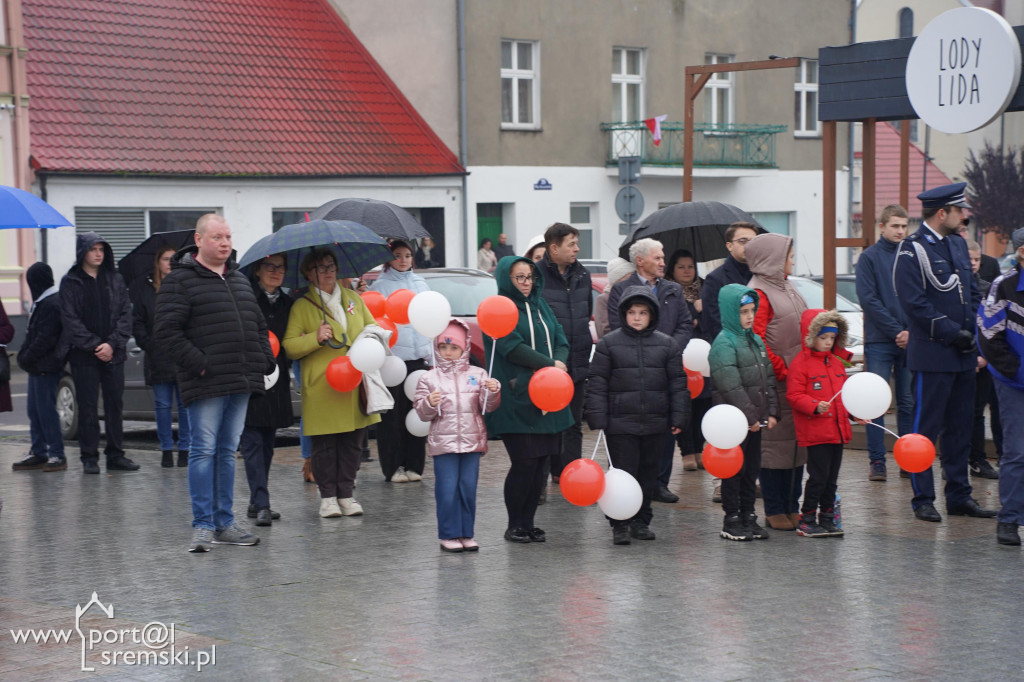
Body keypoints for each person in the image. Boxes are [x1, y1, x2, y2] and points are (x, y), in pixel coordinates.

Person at [156, 214, 275, 552]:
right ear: (199, 239)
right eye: (217, 237)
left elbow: (256, 324)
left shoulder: (238, 279)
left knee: (226, 451)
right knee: (203, 451)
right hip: (205, 381)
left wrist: (264, 358)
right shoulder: (179, 281)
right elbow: (166, 333)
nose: (225, 243)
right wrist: (201, 365)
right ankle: (203, 526)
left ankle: (225, 523)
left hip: (240, 378)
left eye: (228, 237)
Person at [893, 182, 996, 522]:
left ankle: (959, 496)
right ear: (942, 213)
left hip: (963, 356)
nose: (963, 215)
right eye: (959, 210)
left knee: (960, 429)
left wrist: (978, 334)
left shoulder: (956, 243)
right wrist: (955, 334)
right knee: (923, 432)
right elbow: (914, 303)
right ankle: (923, 498)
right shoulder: (912, 250)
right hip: (934, 355)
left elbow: (972, 293)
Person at [585, 286, 689, 545]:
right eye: (632, 312)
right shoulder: (609, 344)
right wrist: (598, 418)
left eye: (643, 312)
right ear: (623, 314)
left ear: (652, 314)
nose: (637, 317)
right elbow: (597, 382)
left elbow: (678, 383)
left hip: (655, 422)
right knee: (621, 474)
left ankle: (642, 520)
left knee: (648, 475)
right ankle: (619, 523)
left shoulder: (667, 345)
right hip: (621, 425)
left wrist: (678, 417)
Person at [283, 248, 380, 519]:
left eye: (331, 266)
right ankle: (327, 497)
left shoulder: (353, 300)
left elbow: (372, 328)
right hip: (323, 384)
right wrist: (315, 337)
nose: (328, 271)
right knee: (325, 445)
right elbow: (289, 346)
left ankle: (346, 494)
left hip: (353, 382)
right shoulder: (303, 306)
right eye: (320, 268)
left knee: (352, 442)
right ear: (308, 274)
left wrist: (369, 341)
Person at [485, 255, 574, 544]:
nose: (526, 283)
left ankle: (529, 522)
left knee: (541, 463)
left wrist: (558, 363)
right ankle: (514, 524)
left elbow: (561, 338)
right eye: (518, 277)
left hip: (551, 395)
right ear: (505, 279)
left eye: (529, 276)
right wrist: (549, 364)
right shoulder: (497, 308)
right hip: (518, 395)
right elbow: (511, 347)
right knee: (524, 462)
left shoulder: (540, 305)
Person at [608, 238, 693, 503]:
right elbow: (614, 328)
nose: (662, 263)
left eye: (662, 257)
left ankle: (660, 483)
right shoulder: (621, 290)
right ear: (640, 260)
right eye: (657, 258)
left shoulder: (673, 290)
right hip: (633, 370)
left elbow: (685, 324)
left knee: (666, 427)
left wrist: (666, 350)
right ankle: (633, 487)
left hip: (666, 367)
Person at [413, 319, 501, 552]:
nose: (449, 352)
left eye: (454, 347)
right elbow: (421, 412)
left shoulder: (478, 373)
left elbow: (487, 407)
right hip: (444, 444)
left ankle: (466, 532)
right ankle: (449, 533)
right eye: (444, 347)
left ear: (464, 348)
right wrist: (429, 404)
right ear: (437, 348)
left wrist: (492, 392)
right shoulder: (429, 378)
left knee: (467, 487)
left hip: (472, 442)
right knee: (447, 488)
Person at [59, 231, 138, 475]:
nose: (98, 254)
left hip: (113, 353)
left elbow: (126, 315)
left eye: (101, 250)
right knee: (88, 406)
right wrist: (95, 345)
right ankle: (89, 457)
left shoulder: (115, 278)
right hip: (84, 355)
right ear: (82, 252)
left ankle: (116, 454)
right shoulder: (71, 281)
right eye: (93, 249)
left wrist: (112, 344)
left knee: (115, 405)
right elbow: (70, 321)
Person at [746, 232, 807, 531]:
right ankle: (774, 507)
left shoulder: (787, 286)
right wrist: (783, 370)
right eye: (788, 255)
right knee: (774, 448)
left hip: (797, 382)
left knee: (797, 445)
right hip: (775, 383)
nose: (793, 259)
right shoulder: (758, 292)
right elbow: (756, 340)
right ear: (771, 259)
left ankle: (791, 505)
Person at [708, 284, 779, 541]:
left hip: (754, 422)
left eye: (752, 311)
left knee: (751, 470)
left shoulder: (756, 341)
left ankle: (749, 514)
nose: (749, 316)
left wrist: (771, 412)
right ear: (730, 312)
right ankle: (732, 518)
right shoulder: (723, 343)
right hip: (733, 424)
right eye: (743, 312)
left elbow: (767, 378)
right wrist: (750, 417)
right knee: (732, 471)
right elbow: (731, 385)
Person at [787, 309, 863, 538]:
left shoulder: (837, 363)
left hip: (837, 432)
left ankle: (827, 516)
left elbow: (843, 397)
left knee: (831, 478)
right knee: (818, 477)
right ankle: (807, 517)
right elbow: (794, 395)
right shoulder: (801, 364)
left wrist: (854, 414)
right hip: (816, 432)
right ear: (812, 337)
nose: (828, 342)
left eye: (832, 338)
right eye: (823, 338)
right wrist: (813, 405)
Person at [855, 204, 914, 482]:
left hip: (910, 340)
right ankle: (877, 461)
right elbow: (869, 300)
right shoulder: (869, 258)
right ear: (882, 226)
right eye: (895, 226)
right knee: (875, 403)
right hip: (881, 340)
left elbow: (920, 297)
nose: (900, 231)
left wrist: (910, 331)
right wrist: (896, 332)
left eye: (904, 226)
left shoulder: (913, 256)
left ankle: (907, 457)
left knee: (907, 401)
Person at [369, 240, 431, 483]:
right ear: (388, 258)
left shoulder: (421, 284)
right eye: (397, 255)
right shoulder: (381, 285)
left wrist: (430, 354)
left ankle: (415, 465)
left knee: (417, 414)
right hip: (393, 361)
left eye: (407, 255)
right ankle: (393, 467)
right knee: (392, 418)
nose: (403, 259)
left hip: (418, 359)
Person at [977, 227, 1024, 545]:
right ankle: (1009, 520)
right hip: (1013, 383)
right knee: (1017, 451)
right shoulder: (1002, 286)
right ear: (1021, 252)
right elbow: (987, 336)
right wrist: (1017, 371)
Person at [240, 254, 294, 527]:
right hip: (251, 377)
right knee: (252, 443)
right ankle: (262, 503)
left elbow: (291, 341)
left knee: (268, 445)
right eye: (269, 267)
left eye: (280, 268)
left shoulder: (288, 303)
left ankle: (255, 500)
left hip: (278, 379)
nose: (275, 272)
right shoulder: (246, 298)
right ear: (258, 271)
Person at [537, 223, 593, 481]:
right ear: (554, 248)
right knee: (547, 423)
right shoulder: (536, 276)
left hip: (578, 361)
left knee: (573, 423)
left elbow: (585, 314)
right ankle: (542, 478)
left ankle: (570, 476)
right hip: (548, 365)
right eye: (571, 244)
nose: (577, 249)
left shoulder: (583, 275)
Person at [130, 245, 191, 468]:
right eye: (165, 258)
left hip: (181, 354)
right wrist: (150, 344)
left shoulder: (184, 287)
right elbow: (137, 322)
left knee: (185, 405)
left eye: (174, 258)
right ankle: (166, 448)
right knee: (162, 404)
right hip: (157, 356)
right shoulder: (146, 290)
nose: (169, 262)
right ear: (157, 262)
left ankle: (185, 448)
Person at [13, 264, 62, 472]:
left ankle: (57, 454)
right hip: (37, 366)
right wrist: (26, 356)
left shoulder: (51, 303)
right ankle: (38, 451)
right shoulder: (42, 302)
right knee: (35, 411)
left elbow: (45, 338)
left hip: (46, 365)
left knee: (46, 411)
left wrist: (24, 357)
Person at [666, 248, 711, 472]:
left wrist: (703, 310)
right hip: (680, 354)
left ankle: (700, 448)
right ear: (672, 270)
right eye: (681, 267)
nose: (686, 271)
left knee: (704, 402)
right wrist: (693, 311)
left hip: (704, 356)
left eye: (690, 266)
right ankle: (687, 451)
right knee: (686, 402)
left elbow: (712, 321)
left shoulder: (706, 288)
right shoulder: (669, 291)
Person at [967, 240, 1001, 479]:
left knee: (981, 412)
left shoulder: (989, 289)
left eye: (977, 260)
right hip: (962, 359)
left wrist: (984, 357)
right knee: (960, 413)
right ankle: (955, 461)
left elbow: (993, 327)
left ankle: (979, 459)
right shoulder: (951, 289)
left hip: (985, 361)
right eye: (969, 259)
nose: (973, 264)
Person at [701, 222, 759, 341]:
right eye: (743, 241)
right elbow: (713, 322)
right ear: (729, 246)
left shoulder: (762, 275)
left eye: (753, 242)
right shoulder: (715, 279)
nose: (748, 246)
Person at [595, 257, 635, 339]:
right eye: (628, 277)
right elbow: (604, 330)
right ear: (617, 279)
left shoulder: (633, 296)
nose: (632, 280)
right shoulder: (604, 299)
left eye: (633, 276)